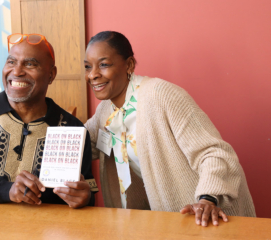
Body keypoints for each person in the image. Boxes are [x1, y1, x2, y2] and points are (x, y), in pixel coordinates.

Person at [84, 31, 256, 226]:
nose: (92, 75)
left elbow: (215, 153)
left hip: (208, 215)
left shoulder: (162, 95)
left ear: (129, 65)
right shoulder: (105, 110)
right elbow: (80, 142)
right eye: (87, 67)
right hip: (169, 223)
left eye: (104, 64)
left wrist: (207, 199)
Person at [0, 33, 98, 208]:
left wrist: (84, 197)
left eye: (30, 64)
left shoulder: (72, 128)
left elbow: (86, 195)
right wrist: (8, 190)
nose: (16, 71)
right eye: (11, 62)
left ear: (51, 75)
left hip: (43, 232)